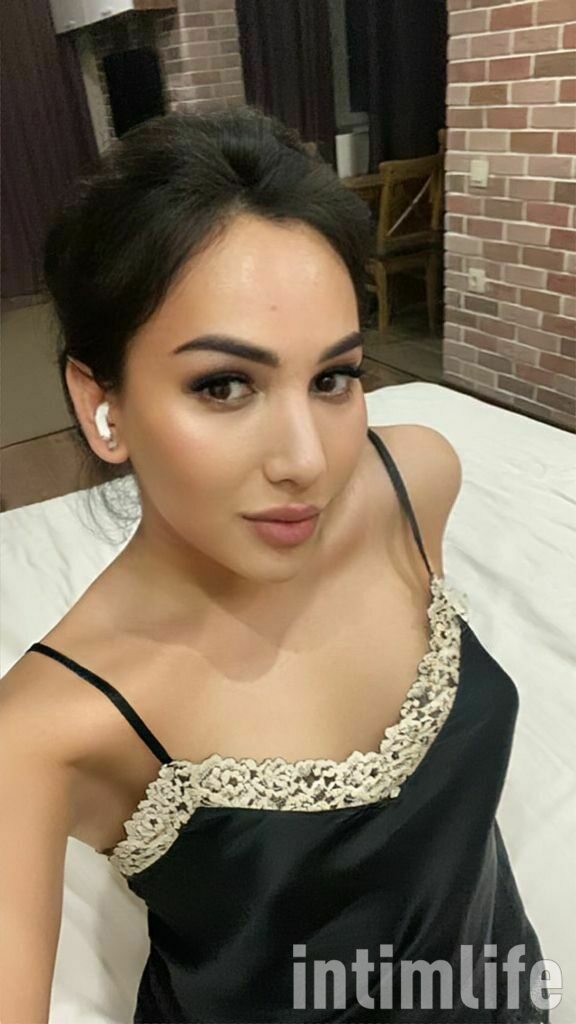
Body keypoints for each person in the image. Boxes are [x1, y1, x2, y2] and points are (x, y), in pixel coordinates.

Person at [0, 106, 549, 1023]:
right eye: (224, 385)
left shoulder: (415, 480)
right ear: (103, 404)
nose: (306, 460)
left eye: (333, 378)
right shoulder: (45, 728)